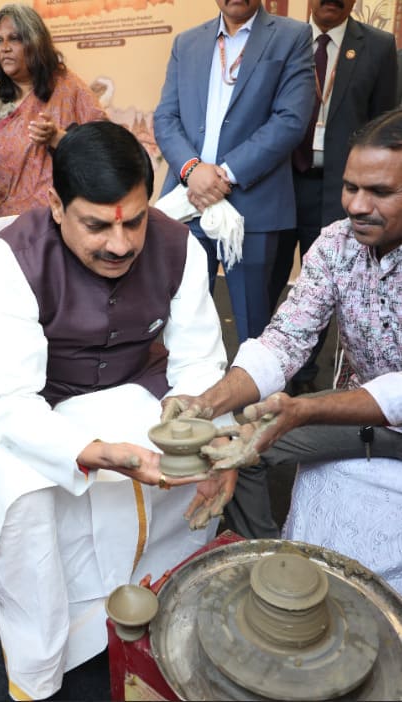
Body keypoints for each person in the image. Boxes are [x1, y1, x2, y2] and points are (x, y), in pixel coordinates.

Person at [0, 121, 236, 700]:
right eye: (98, 225)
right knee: (28, 495)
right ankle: (46, 654)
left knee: (191, 465)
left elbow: (200, 362)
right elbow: (8, 398)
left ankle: (162, 601)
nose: (121, 245)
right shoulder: (12, 259)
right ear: (56, 206)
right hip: (32, 401)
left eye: (134, 221)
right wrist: (90, 454)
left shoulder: (178, 245)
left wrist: (212, 437)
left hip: (132, 383)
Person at [161, 107, 402, 541]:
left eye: (380, 192)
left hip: (379, 417)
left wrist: (305, 409)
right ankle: (268, 560)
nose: (357, 206)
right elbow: (285, 342)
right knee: (237, 449)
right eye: (350, 187)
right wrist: (206, 403)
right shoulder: (336, 245)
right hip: (363, 415)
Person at [154, 0, 315, 344]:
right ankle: (191, 381)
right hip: (189, 202)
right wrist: (193, 170)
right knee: (183, 317)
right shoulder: (187, 42)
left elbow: (290, 120)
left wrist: (224, 174)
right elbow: (166, 117)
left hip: (252, 205)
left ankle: (248, 383)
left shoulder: (292, 36)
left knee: (252, 326)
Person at [268, 0, 397, 395]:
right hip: (282, 183)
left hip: (342, 187)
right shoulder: (280, 40)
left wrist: (362, 188)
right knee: (270, 278)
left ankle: (304, 377)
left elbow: (385, 127)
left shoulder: (378, 45)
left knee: (331, 282)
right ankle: (268, 371)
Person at [0, 3, 105, 217]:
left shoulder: (69, 88)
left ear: (36, 42)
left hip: (59, 221)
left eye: (14, 38)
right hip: (10, 222)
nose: (4, 48)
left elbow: (105, 149)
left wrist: (58, 138)